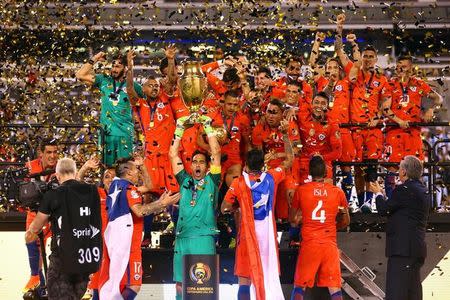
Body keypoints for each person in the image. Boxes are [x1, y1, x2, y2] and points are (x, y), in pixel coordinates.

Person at [98, 157, 180, 300]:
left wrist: (142, 166)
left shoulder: (116, 185)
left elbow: (149, 186)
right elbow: (140, 211)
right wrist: (162, 203)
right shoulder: (129, 189)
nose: (139, 174)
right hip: (128, 243)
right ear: (129, 173)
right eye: (136, 170)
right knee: (134, 284)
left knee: (118, 283)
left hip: (116, 240)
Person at [221, 139, 293, 299]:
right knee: (267, 274)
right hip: (267, 236)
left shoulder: (238, 183)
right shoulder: (271, 177)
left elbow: (224, 207)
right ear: (262, 166)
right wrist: (285, 135)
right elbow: (289, 159)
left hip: (248, 235)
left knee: (244, 278)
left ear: (245, 165)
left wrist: (238, 207)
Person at [25, 158, 101, 299]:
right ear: (75, 171)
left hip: (62, 261)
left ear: (57, 175)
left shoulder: (53, 195)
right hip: (85, 259)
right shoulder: (92, 191)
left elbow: (35, 228)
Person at [169, 115, 222, 300]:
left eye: (201, 162)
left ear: (207, 167)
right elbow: (173, 154)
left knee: (203, 287)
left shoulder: (212, 181)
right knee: (179, 286)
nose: (197, 164)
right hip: (182, 238)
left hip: (203, 238)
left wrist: (208, 126)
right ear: (190, 166)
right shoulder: (184, 180)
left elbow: (216, 153)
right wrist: (179, 128)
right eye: (194, 162)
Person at [289, 156, 350, 300]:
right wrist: (332, 225)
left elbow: (292, 220)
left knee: (299, 287)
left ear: (309, 172)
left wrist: (302, 218)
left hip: (310, 244)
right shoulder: (337, 192)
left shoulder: (301, 191)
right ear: (326, 173)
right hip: (329, 244)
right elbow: (346, 220)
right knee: (335, 289)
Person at [370, 155, 430, 300]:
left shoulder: (404, 189)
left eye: (400, 169)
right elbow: (400, 207)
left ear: (404, 172)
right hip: (416, 248)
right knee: (413, 293)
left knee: (396, 293)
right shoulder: (422, 189)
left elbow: (384, 210)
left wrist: (378, 193)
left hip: (402, 251)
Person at [384, 55, 443, 198]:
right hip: (394, 131)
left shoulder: (418, 84)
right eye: (398, 66)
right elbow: (385, 108)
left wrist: (431, 110)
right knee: (392, 168)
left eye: (403, 66)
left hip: (413, 133)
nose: (399, 69)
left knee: (415, 168)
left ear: (410, 67)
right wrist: (399, 120)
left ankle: (415, 200)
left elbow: (439, 98)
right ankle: (391, 202)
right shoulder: (390, 84)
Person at [75, 51, 144, 166]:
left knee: (126, 169)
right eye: (113, 65)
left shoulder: (133, 86)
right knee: (106, 169)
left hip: (125, 135)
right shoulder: (103, 80)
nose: (114, 69)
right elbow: (80, 75)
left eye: (117, 66)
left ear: (125, 68)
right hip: (106, 134)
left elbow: (148, 101)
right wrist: (95, 58)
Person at [252, 99, 301, 221]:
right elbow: (258, 153)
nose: (270, 115)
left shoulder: (290, 126)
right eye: (269, 112)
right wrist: (263, 158)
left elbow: (297, 150)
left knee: (291, 192)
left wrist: (278, 155)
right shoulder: (259, 129)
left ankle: (292, 228)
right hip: (268, 166)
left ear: (282, 115)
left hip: (288, 165)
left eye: (274, 112)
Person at [23, 139, 59, 294]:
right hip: (36, 212)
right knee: (30, 239)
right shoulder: (30, 166)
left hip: (56, 213)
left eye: (55, 152)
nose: (53, 156)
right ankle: (38, 281)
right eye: (49, 152)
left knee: (60, 248)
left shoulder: (61, 167)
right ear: (41, 154)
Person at [297, 92, 342, 184]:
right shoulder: (302, 117)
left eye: (323, 103)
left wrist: (321, 157)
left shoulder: (332, 125)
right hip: (304, 161)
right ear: (311, 104)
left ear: (327, 107)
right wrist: (291, 110)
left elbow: (338, 153)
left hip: (323, 163)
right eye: (316, 102)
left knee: (326, 185)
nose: (319, 106)